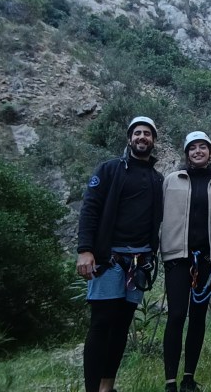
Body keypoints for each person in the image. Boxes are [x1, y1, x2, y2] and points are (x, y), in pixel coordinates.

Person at [76, 116, 164, 392]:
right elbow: (90, 209)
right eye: (137, 133)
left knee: (122, 325)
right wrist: (85, 250)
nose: (142, 137)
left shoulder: (155, 177)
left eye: (147, 134)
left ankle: (107, 386)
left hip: (138, 263)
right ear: (129, 139)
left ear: (153, 141)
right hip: (108, 259)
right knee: (102, 323)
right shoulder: (109, 169)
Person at [159, 131, 211, 392]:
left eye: (203, 147)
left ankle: (188, 378)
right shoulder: (170, 180)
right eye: (193, 148)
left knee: (198, 317)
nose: (198, 151)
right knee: (176, 315)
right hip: (177, 257)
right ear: (186, 153)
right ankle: (169, 382)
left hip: (206, 261)